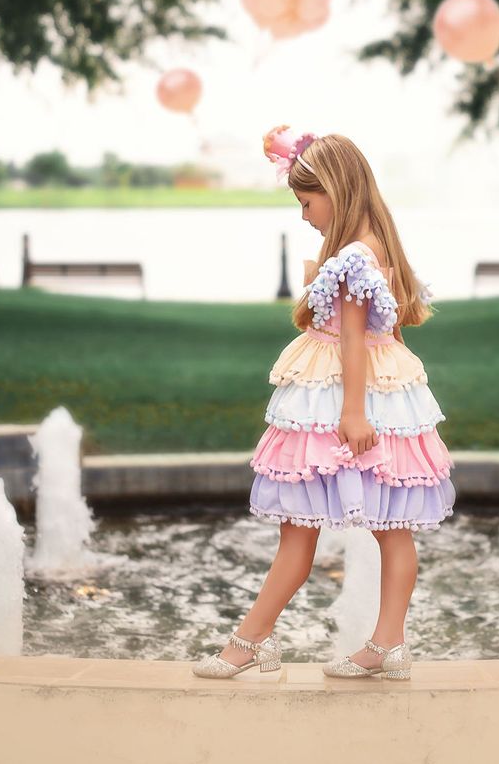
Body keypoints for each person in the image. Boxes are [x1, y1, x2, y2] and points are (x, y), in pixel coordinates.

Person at [192, 126, 455, 682]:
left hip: (337, 399)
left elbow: (356, 339)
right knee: (390, 527)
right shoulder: (374, 247)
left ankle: (251, 641)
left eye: (306, 200)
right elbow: (391, 335)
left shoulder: (353, 258)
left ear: (334, 190)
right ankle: (388, 644)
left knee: (301, 528)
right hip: (373, 396)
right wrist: (392, 402)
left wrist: (354, 413)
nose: (303, 213)